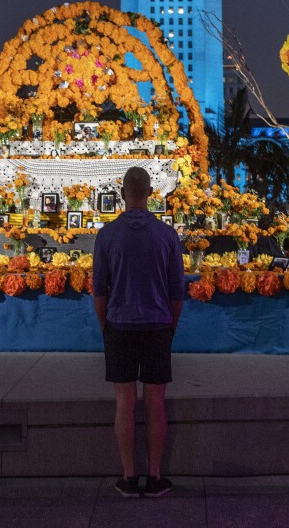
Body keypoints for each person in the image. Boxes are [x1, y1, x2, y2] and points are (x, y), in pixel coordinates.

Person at [93, 166, 185, 498]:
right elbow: (177, 292)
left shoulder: (106, 235)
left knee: (124, 400)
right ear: (149, 193)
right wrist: (170, 326)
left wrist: (106, 326)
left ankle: (129, 477)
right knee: (156, 401)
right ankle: (156, 476)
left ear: (122, 194)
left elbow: (99, 292)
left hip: (119, 324)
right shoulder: (167, 235)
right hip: (158, 324)